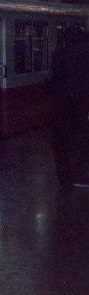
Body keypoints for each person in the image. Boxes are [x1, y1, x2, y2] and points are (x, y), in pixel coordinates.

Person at [49, 25, 89, 187]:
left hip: (61, 107)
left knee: (61, 144)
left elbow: (54, 82)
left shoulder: (58, 55)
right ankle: (81, 175)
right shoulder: (86, 55)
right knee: (80, 140)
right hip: (80, 107)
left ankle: (65, 176)